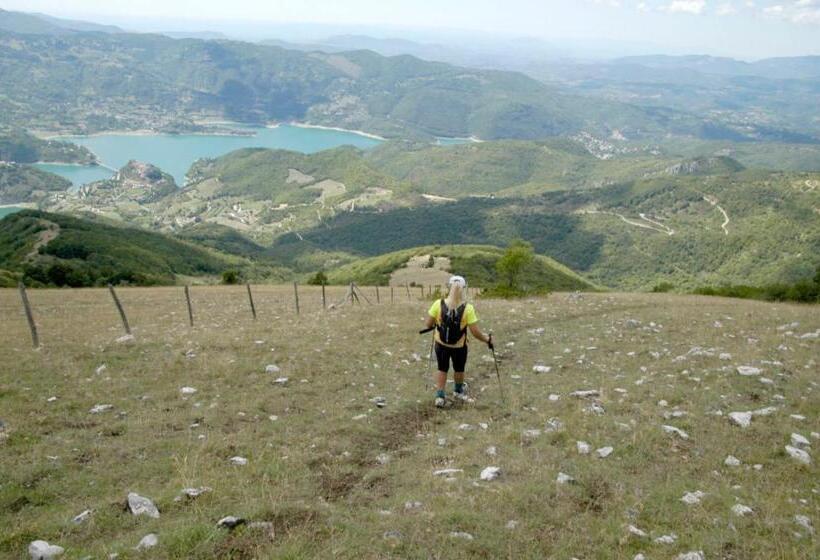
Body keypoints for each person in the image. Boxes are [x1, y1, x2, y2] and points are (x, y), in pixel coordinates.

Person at [422, 275, 493, 408]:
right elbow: (475, 332)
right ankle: (458, 390)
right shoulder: (468, 308)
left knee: (442, 368)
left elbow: (428, 324)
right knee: (459, 368)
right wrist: (487, 339)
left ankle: (439, 396)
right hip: (459, 346)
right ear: (464, 289)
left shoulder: (438, 304)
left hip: (441, 344)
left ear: (449, 287)